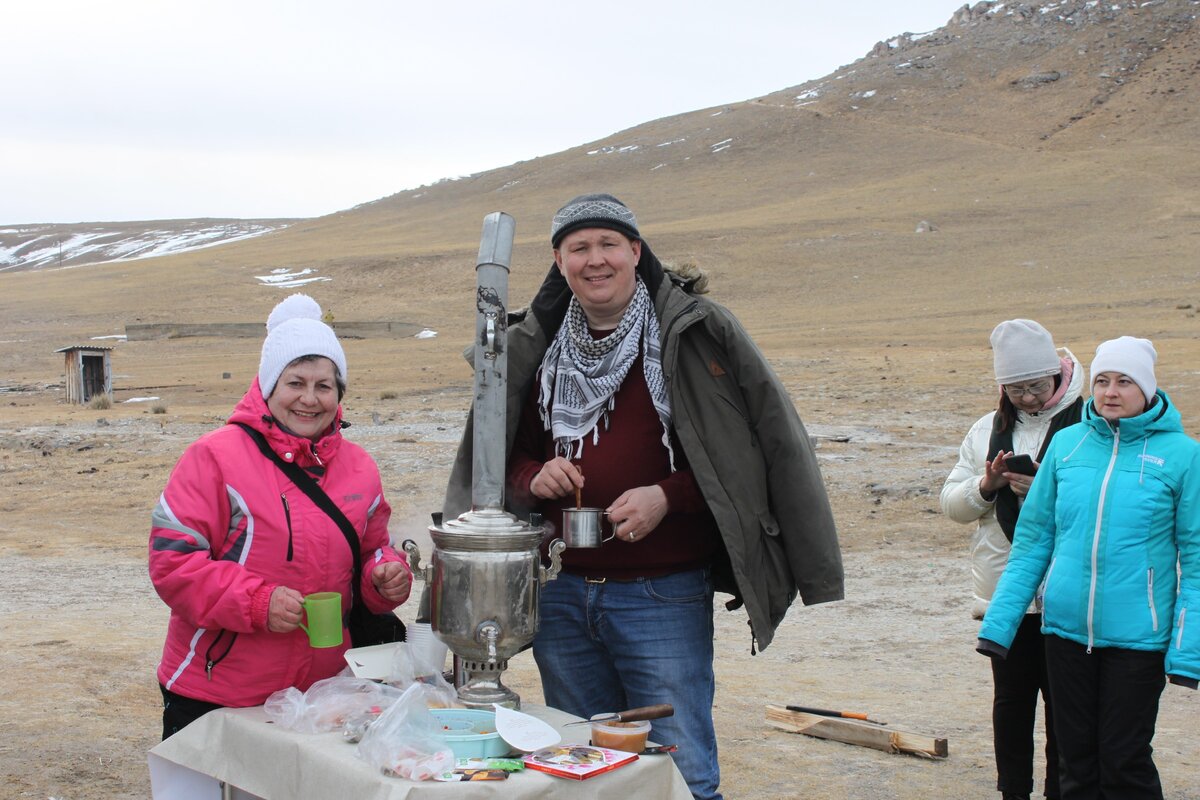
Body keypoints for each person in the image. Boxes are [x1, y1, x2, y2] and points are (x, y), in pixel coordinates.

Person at [443, 193, 843, 800]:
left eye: (609, 245)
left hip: (663, 592)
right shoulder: (536, 345)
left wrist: (668, 496)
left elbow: (747, 451)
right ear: (559, 261)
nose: (595, 260)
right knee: (582, 764)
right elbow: (505, 452)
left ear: (636, 251)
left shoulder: (694, 331)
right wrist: (533, 478)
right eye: (579, 248)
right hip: (560, 591)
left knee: (678, 768)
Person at [149, 294, 412, 740]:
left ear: (339, 393)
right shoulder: (214, 458)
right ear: (269, 386)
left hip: (324, 692)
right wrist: (257, 602)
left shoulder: (360, 467)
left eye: (324, 385)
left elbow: (373, 548)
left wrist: (386, 575)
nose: (309, 399)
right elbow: (173, 566)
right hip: (220, 692)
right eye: (296, 382)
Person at [978, 336, 1200, 800]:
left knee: (1124, 763)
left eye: (1124, 381)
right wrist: (1000, 624)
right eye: (1102, 380)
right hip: (1065, 634)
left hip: (1138, 639)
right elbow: (1034, 541)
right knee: (1074, 764)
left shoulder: (1184, 456)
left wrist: (1186, 650)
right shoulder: (1067, 445)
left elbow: (1195, 560)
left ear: (1148, 389)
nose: (1110, 392)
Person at [941, 319, 1082, 800]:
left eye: (1036, 386)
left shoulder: (1087, 425)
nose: (1026, 397)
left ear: (1058, 374)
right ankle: (1013, 792)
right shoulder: (987, 429)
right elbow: (952, 505)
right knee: (1011, 703)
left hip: (1068, 591)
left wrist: (1045, 492)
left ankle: (1061, 790)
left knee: (1066, 707)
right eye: (1015, 388)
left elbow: (1103, 505)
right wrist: (988, 487)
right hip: (1004, 593)